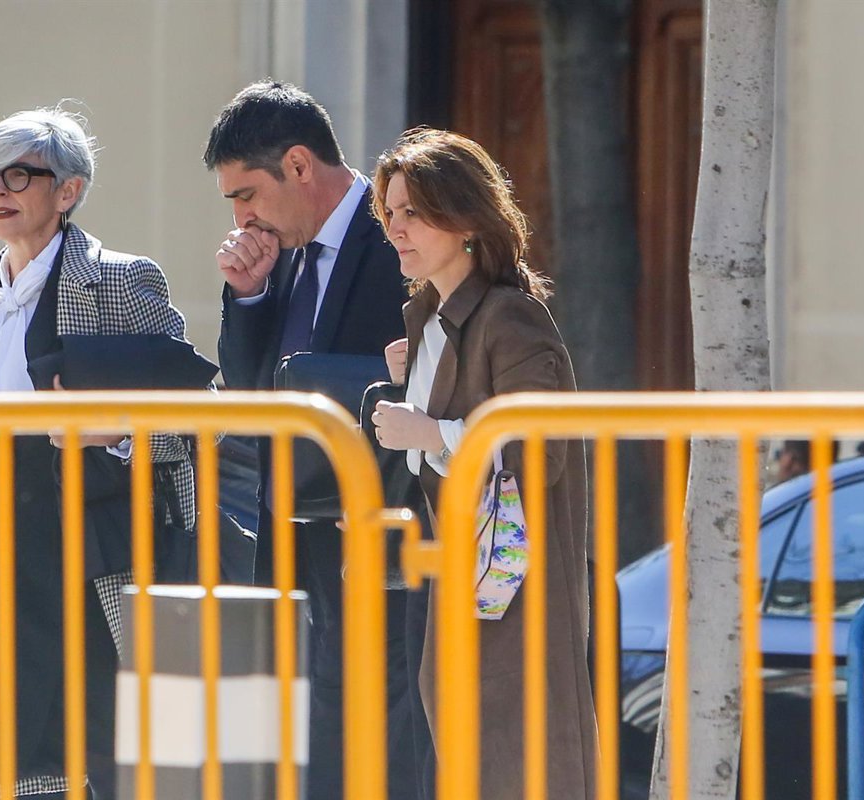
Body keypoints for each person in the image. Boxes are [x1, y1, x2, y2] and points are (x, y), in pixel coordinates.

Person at [0, 107, 196, 799]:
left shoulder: (122, 281)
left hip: (92, 555)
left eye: (19, 174)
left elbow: (200, 415)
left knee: (109, 754)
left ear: (69, 191)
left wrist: (115, 432)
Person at [205, 80, 432, 799]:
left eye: (247, 195)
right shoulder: (281, 251)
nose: (241, 218)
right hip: (295, 530)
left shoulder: (399, 235)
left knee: (385, 736)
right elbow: (250, 395)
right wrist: (247, 295)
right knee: (312, 734)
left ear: (299, 166)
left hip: (383, 531)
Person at [369, 128, 597, 798]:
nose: (397, 228)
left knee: (522, 760)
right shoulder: (429, 319)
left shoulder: (511, 317)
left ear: (466, 218)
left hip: (515, 581)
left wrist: (432, 430)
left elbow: (539, 449)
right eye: (390, 212)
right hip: (460, 573)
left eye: (414, 211)